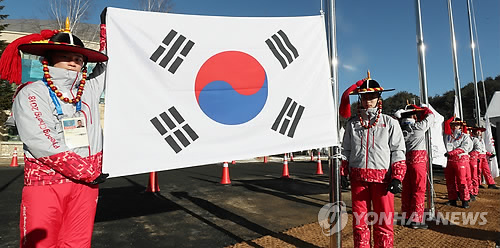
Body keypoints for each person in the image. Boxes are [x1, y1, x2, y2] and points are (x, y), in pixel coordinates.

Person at [0, 14, 109, 247]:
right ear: (48, 61)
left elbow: (110, 63)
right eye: (65, 57)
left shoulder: (89, 88)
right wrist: (85, 171)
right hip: (46, 184)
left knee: (78, 243)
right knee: (41, 244)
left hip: (86, 186)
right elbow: (41, 139)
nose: (73, 63)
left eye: (79, 59)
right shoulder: (32, 92)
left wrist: (108, 28)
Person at [339, 73, 406, 248]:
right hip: (358, 178)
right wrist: (342, 172)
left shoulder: (389, 123)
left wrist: (397, 176)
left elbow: (398, 150)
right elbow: (346, 149)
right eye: (364, 96)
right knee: (360, 223)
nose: (368, 100)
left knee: (383, 222)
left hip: (382, 180)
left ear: (379, 97)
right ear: (360, 98)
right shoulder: (352, 124)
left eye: (372, 96)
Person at [395, 104, 433, 229]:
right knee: (418, 190)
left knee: (407, 191)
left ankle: (406, 217)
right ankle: (416, 219)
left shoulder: (399, 129)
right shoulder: (418, 127)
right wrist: (424, 109)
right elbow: (431, 117)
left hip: (404, 161)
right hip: (418, 162)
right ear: (414, 117)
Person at [443, 117, 472, 208]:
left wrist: (452, 153)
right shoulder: (447, 136)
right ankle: (452, 199)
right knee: (450, 181)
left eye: (457, 125)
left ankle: (465, 200)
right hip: (449, 161)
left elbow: (464, 148)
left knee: (462, 180)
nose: (455, 126)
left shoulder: (465, 136)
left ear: (460, 126)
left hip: (460, 160)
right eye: (453, 125)